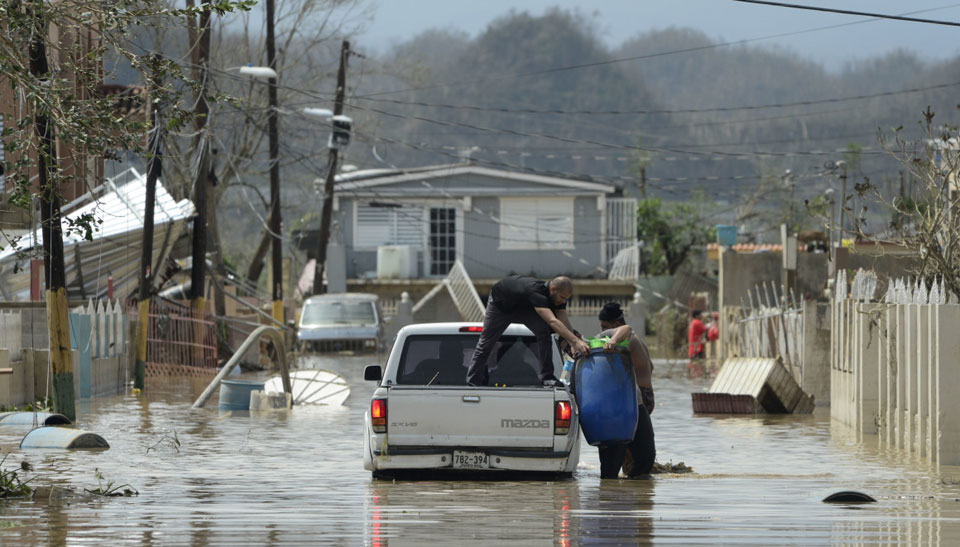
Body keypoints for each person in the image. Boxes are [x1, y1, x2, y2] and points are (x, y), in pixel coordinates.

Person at [466, 275, 589, 387]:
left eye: (567, 299)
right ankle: (473, 382)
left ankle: (547, 377)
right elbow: (553, 321)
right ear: (553, 289)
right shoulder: (536, 293)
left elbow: (563, 320)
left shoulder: (557, 297)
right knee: (486, 343)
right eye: (562, 298)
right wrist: (575, 342)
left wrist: (572, 339)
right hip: (501, 305)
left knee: (543, 331)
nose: (564, 302)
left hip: (524, 307)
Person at [593, 302, 656, 479]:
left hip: (635, 400)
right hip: (645, 397)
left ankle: (625, 483)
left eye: (605, 326)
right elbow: (650, 367)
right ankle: (630, 486)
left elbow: (625, 329)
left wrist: (612, 341)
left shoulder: (625, 336)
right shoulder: (638, 340)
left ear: (616, 325)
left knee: (628, 451)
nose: (602, 330)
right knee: (632, 452)